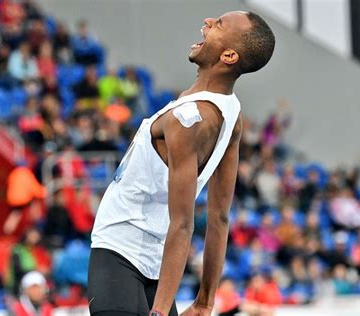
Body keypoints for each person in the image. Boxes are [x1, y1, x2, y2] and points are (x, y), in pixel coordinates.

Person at [88, 11, 275, 316]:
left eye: (219, 24)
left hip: (120, 249)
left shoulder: (188, 120)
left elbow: (185, 222)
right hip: (156, 261)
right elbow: (219, 217)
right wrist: (205, 301)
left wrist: (160, 311)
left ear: (229, 55)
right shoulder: (231, 112)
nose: (207, 22)